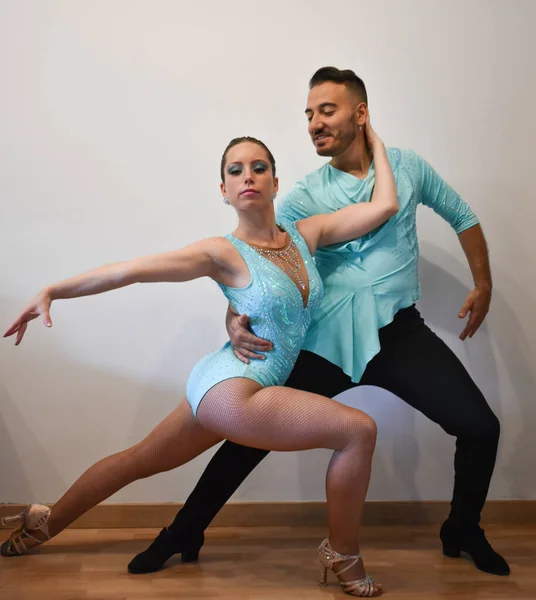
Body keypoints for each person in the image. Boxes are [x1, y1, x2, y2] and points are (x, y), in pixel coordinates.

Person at [129, 67, 509, 578]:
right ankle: (183, 531)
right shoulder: (304, 196)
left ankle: (462, 529)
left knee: (481, 426)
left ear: (360, 113)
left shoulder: (407, 167)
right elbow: (259, 263)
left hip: (398, 334)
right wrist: (232, 319)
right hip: (324, 339)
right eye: (308, 114)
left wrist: (483, 284)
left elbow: (461, 215)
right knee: (248, 433)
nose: (314, 123)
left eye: (326, 111)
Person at [2, 128, 398, 596]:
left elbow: (384, 207)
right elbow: (130, 270)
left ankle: (44, 522)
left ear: (274, 181)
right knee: (359, 431)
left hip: (223, 381)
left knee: (137, 462)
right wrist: (53, 290)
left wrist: (371, 138)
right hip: (231, 389)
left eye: (258, 167)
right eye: (236, 171)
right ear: (224, 191)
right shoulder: (220, 252)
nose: (248, 176)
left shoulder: (307, 234)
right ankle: (342, 555)